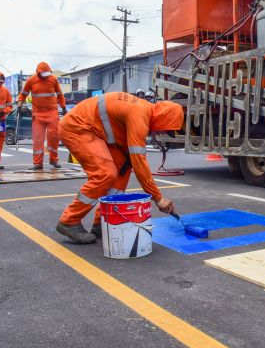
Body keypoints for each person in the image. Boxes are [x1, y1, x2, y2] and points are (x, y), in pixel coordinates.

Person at [56, 92, 184, 244]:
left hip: (95, 132)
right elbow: (139, 162)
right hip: (77, 127)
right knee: (105, 173)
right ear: (163, 118)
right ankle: (69, 221)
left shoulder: (143, 112)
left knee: (123, 170)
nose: (162, 133)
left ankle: (102, 222)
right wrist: (158, 198)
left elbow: (130, 156)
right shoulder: (140, 114)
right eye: (167, 129)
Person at [17, 62, 67, 170]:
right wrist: (19, 106)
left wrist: (63, 107)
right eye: (44, 73)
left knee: (54, 136)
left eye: (48, 73)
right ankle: (38, 163)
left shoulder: (53, 79)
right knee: (38, 139)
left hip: (52, 112)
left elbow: (60, 95)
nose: (46, 75)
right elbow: (23, 94)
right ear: (39, 73)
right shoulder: (31, 80)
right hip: (38, 114)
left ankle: (54, 160)